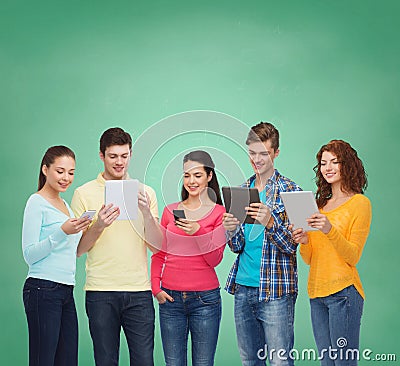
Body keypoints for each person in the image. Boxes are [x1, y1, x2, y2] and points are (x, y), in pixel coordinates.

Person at [70, 127, 159, 366]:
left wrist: (146, 215)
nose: (119, 162)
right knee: (105, 361)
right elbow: (77, 250)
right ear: (101, 156)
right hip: (100, 292)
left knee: (144, 362)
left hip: (139, 291)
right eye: (113, 156)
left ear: (131, 154)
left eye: (124, 155)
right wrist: (98, 225)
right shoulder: (83, 193)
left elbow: (157, 247)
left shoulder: (146, 193)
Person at [223, 122, 301, 366]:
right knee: (250, 361)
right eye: (252, 153)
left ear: (276, 153)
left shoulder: (292, 191)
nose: (257, 160)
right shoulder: (241, 191)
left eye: (263, 153)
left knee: (280, 362)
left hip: (276, 292)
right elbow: (237, 246)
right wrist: (231, 229)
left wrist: (270, 224)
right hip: (243, 289)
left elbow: (294, 245)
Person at [291, 140, 372, 366]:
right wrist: (304, 240)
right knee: (327, 363)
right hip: (317, 295)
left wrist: (328, 229)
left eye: (334, 162)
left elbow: (352, 256)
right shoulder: (318, 205)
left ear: (347, 165)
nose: (328, 167)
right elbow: (309, 259)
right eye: (323, 163)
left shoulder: (360, 203)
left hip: (344, 294)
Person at [151, 150, 226, 366]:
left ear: (209, 176)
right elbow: (159, 252)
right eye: (186, 175)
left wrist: (198, 231)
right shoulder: (170, 211)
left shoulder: (219, 213)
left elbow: (215, 259)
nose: (191, 181)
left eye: (197, 175)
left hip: (205, 301)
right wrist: (156, 287)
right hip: (170, 300)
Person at [22, 145, 91, 366]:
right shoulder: (36, 202)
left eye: (71, 172)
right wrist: (62, 232)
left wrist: (96, 227)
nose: (66, 178)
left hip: (65, 290)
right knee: (44, 360)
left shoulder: (67, 207)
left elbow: (76, 251)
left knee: (68, 360)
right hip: (42, 288)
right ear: (45, 169)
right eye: (60, 171)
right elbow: (29, 254)